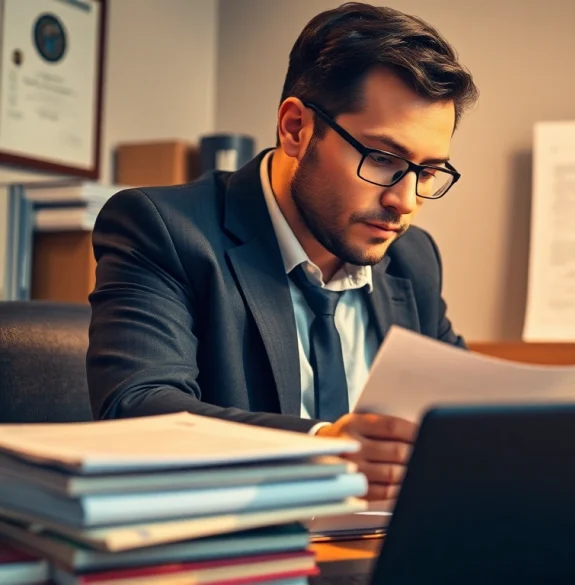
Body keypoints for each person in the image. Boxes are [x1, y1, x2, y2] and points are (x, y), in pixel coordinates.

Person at [86, 2, 478, 501]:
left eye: (426, 173)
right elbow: (136, 407)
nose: (404, 201)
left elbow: (462, 402)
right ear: (296, 128)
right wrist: (322, 446)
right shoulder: (164, 229)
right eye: (382, 159)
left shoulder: (412, 258)